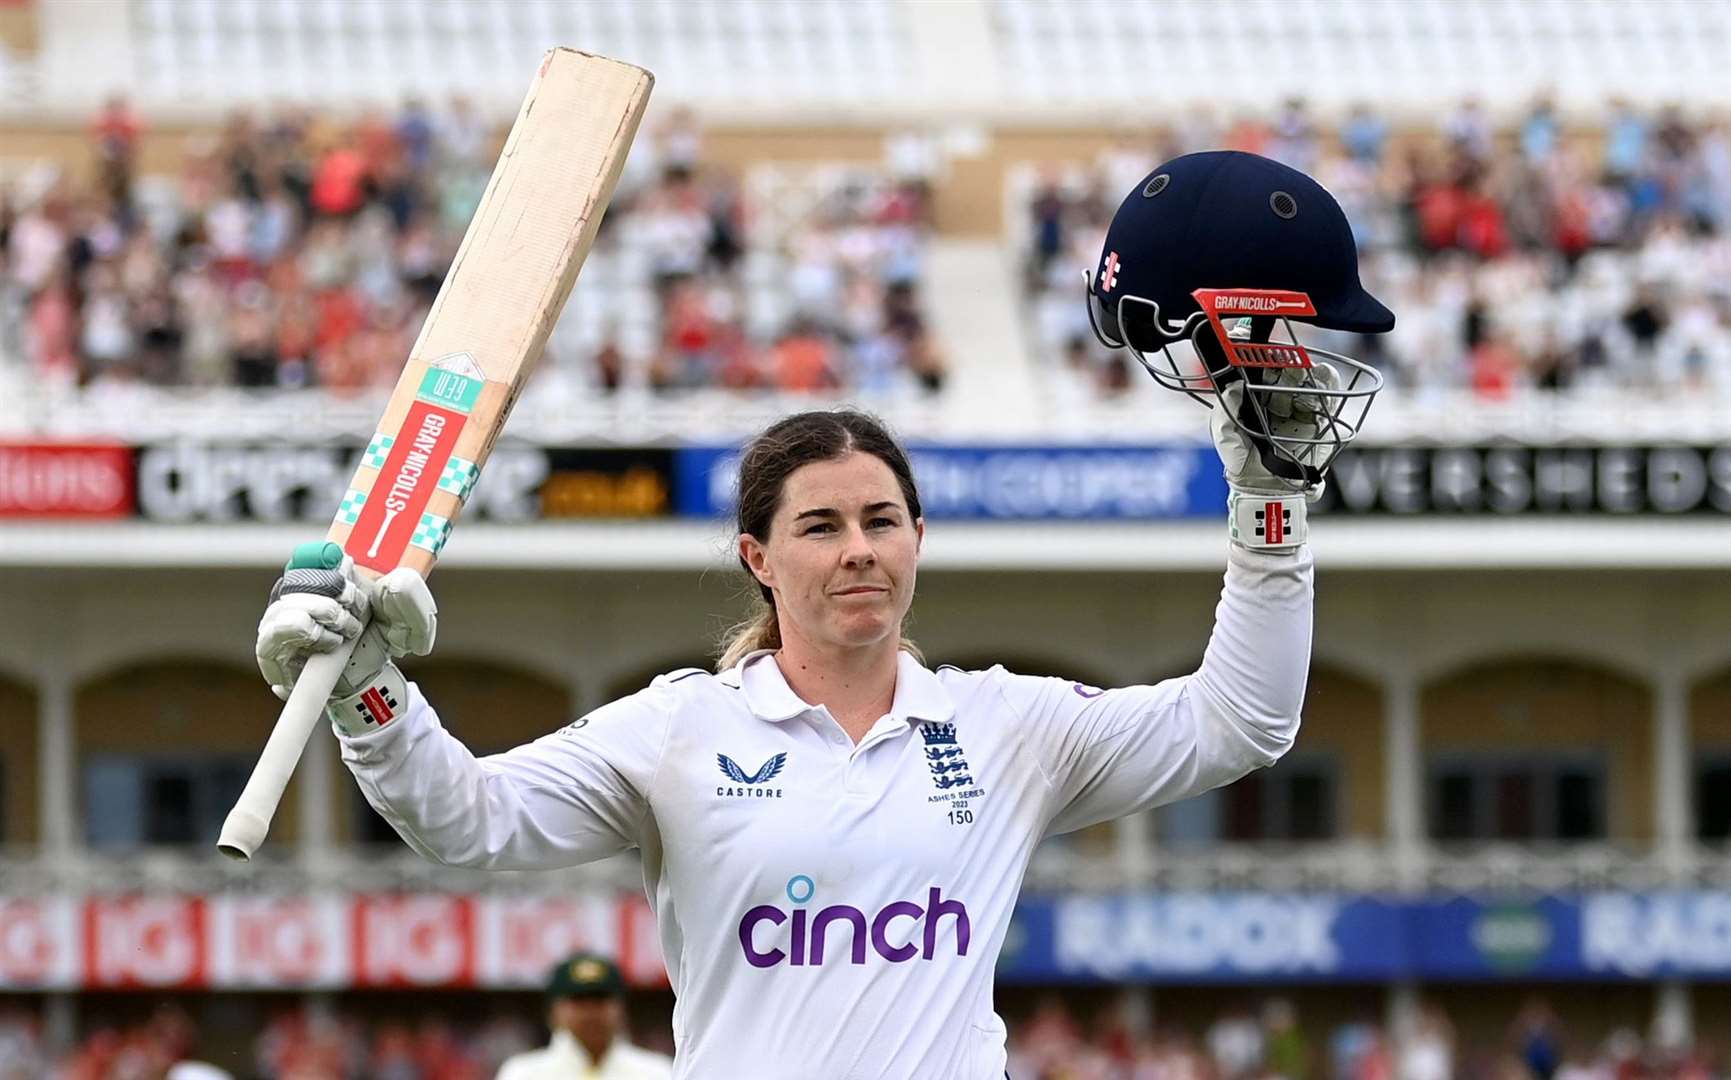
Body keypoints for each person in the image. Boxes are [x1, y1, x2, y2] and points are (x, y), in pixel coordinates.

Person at [255, 150, 1392, 1079]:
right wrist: (370, 692)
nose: (859, 551)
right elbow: (472, 822)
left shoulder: (1008, 729)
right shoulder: (678, 732)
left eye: (882, 520)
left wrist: (1269, 513)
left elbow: (1244, 722)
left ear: (918, 542)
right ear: (757, 557)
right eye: (820, 527)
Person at [495, 953, 672, 1080]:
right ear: (553, 1011)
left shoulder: (659, 1073)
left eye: (600, 999)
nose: (590, 1012)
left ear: (621, 1008)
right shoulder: (522, 1074)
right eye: (578, 1000)